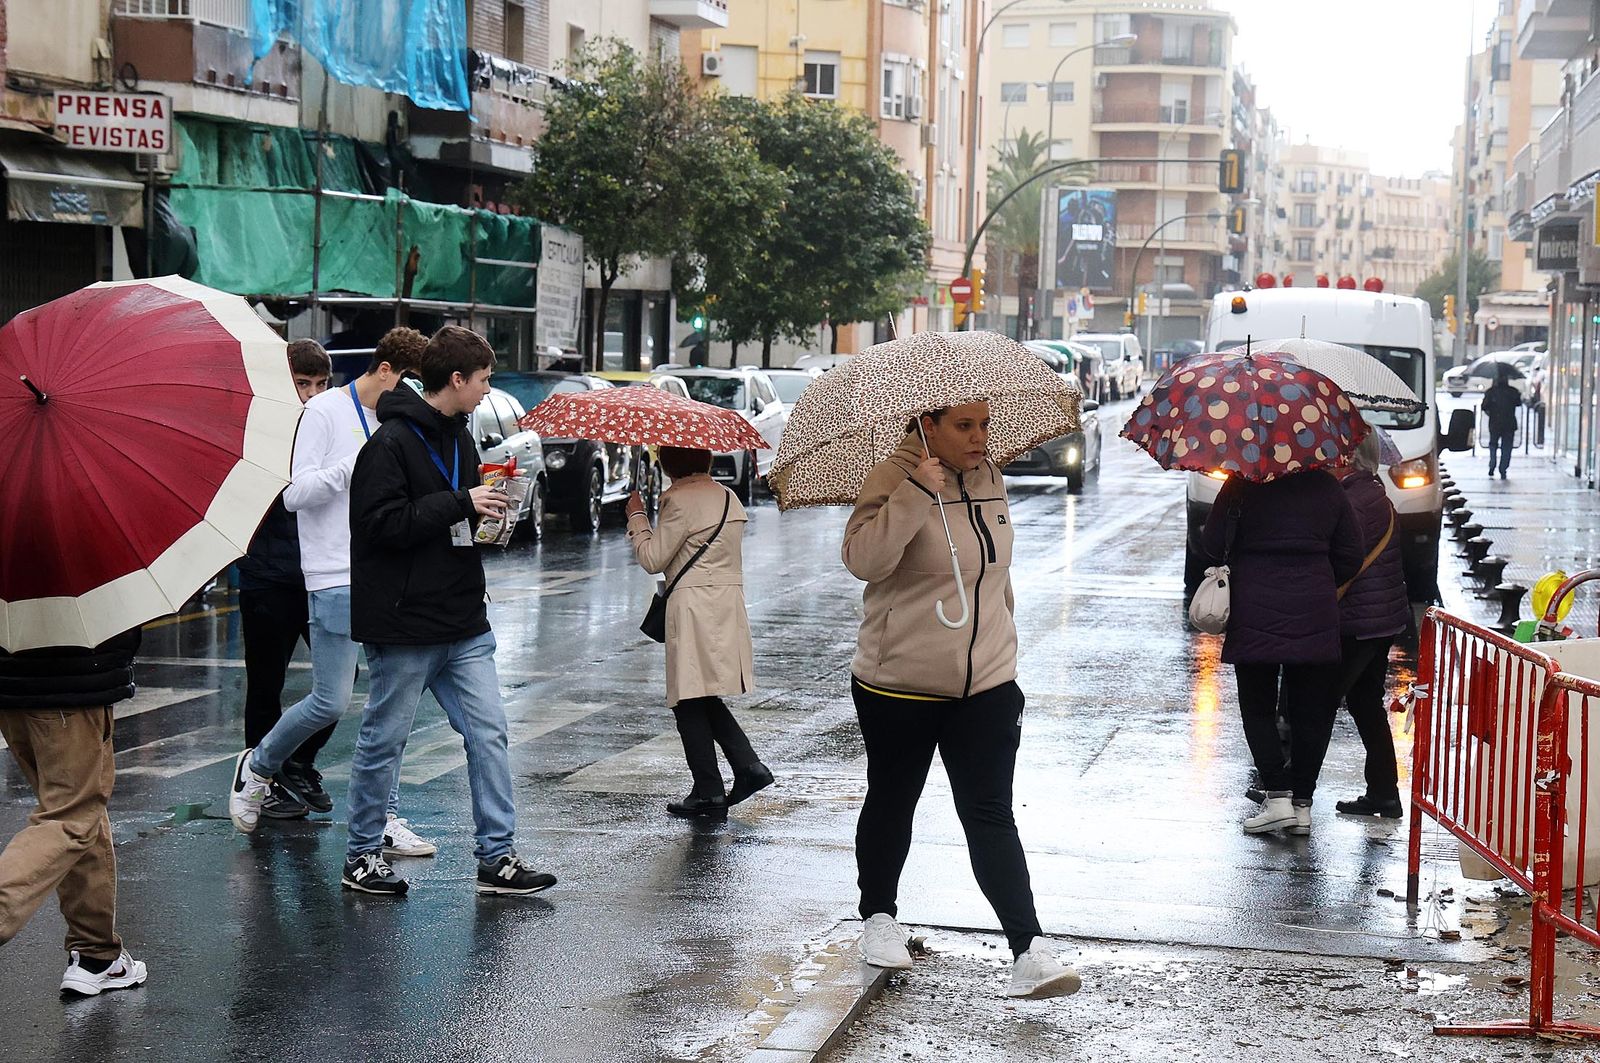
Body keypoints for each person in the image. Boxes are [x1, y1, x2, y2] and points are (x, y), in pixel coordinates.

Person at [842, 403, 1080, 1001]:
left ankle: (1029, 949)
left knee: (989, 811)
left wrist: (1006, 649)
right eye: (964, 426)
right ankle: (879, 918)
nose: (980, 438)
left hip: (988, 683)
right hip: (899, 680)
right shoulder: (893, 475)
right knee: (894, 798)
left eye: (984, 425)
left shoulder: (990, 478)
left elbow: (995, 577)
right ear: (928, 427)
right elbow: (863, 562)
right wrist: (914, 495)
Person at [339, 325, 555, 897]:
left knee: (489, 733)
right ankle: (361, 854)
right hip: (406, 623)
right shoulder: (388, 445)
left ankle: (497, 856)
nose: (488, 391)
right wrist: (459, 502)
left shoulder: (459, 436)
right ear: (455, 379)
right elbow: (379, 526)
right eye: (483, 380)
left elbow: (452, 520)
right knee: (385, 740)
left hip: (462, 618)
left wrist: (487, 521)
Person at [229, 328, 436, 860]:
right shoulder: (325, 412)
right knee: (331, 699)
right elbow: (295, 494)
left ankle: (383, 817)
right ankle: (258, 765)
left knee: (391, 702)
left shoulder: (396, 419)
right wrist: (357, 466)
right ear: (385, 371)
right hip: (330, 574)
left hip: (384, 575)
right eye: (409, 384)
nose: (413, 397)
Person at [1203, 468, 1363, 836]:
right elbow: (1351, 554)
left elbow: (1211, 544)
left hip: (1253, 606)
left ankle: (1276, 797)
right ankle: (1302, 804)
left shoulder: (1242, 483)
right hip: (1314, 610)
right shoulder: (1326, 486)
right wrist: (1318, 579)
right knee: (1312, 712)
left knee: (1257, 707)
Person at [625, 446, 771, 817]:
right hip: (726, 604)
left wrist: (638, 516)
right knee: (701, 694)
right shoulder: (727, 497)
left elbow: (652, 559)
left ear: (670, 464)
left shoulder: (678, 500)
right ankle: (745, 767)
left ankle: (710, 789)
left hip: (692, 607)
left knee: (687, 697)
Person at [0, 630, 148, 996]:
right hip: (71, 686)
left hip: (11, 688)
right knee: (70, 819)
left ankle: (96, 954)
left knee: (81, 812)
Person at [236, 340, 335, 821]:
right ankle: (262, 781)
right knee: (265, 686)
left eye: (321, 384)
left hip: (321, 576)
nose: (313, 394)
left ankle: (296, 760)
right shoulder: (263, 430)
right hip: (268, 576)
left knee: (339, 681)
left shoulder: (331, 426)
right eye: (303, 384)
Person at [1332, 433, 1410, 818]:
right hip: (1378, 619)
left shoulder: (1354, 500)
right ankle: (1383, 792)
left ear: (1349, 457)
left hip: (1360, 621)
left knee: (1317, 701)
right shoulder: (1372, 492)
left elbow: (1341, 557)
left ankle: (1291, 791)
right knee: (1365, 703)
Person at [1482, 365, 1522, 480]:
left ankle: (1492, 464)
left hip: (1495, 423)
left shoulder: (1490, 392)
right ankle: (1503, 468)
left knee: (1493, 445)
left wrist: (1491, 413)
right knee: (1507, 447)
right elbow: (1518, 403)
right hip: (1509, 424)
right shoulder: (1513, 392)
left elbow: (1484, 406)